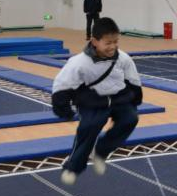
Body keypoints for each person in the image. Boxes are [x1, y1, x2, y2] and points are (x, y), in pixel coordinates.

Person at [51, 17, 142, 185]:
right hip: (93, 101)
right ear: (94, 42)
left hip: (118, 98)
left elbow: (133, 79)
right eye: (108, 43)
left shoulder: (123, 58)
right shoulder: (79, 62)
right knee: (89, 128)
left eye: (116, 42)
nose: (113, 46)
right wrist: (62, 107)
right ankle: (73, 167)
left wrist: (136, 97)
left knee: (130, 119)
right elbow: (63, 84)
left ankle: (101, 151)